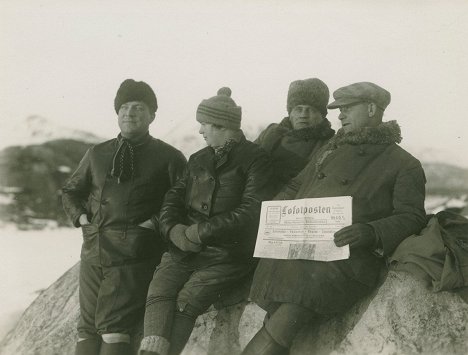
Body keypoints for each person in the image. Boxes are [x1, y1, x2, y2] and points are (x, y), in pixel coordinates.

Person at [244, 82, 427, 355]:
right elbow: (296, 185)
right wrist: (277, 207)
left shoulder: (403, 163)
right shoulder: (331, 148)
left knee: (291, 309)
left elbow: (412, 216)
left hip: (345, 257)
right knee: (282, 310)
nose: (340, 115)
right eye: (339, 109)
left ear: (371, 108)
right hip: (302, 246)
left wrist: (370, 231)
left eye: (347, 108)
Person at [139, 87, 274, 355]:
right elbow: (172, 200)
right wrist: (173, 230)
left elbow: (251, 211)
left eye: (204, 125)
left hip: (228, 253)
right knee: (159, 289)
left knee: (187, 300)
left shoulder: (255, 159)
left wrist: (200, 232)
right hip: (184, 248)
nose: (200, 131)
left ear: (222, 125)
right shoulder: (198, 159)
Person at [62, 79, 187, 355]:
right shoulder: (97, 153)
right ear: (117, 113)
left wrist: (151, 225)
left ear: (152, 115)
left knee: (113, 326)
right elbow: (70, 192)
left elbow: (183, 202)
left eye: (138, 108)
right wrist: (82, 219)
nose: (130, 113)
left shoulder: (169, 157)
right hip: (94, 250)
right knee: (87, 328)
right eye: (124, 107)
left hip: (135, 255)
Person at [255, 78, 335, 192]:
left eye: (311, 110)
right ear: (290, 112)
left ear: (322, 115)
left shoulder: (331, 143)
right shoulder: (271, 134)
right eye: (298, 109)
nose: (303, 115)